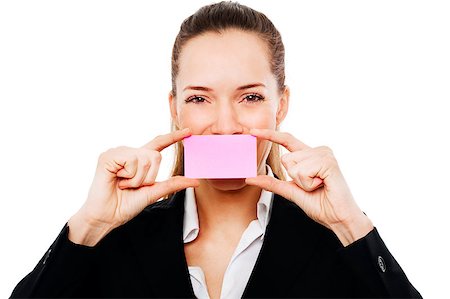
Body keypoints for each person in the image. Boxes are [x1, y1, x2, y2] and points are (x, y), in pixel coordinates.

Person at [11, 1, 421, 298]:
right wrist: (88, 227)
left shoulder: (337, 240)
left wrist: (351, 225)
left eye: (250, 98)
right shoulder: (114, 240)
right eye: (199, 99)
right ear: (175, 108)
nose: (225, 127)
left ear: (282, 105)